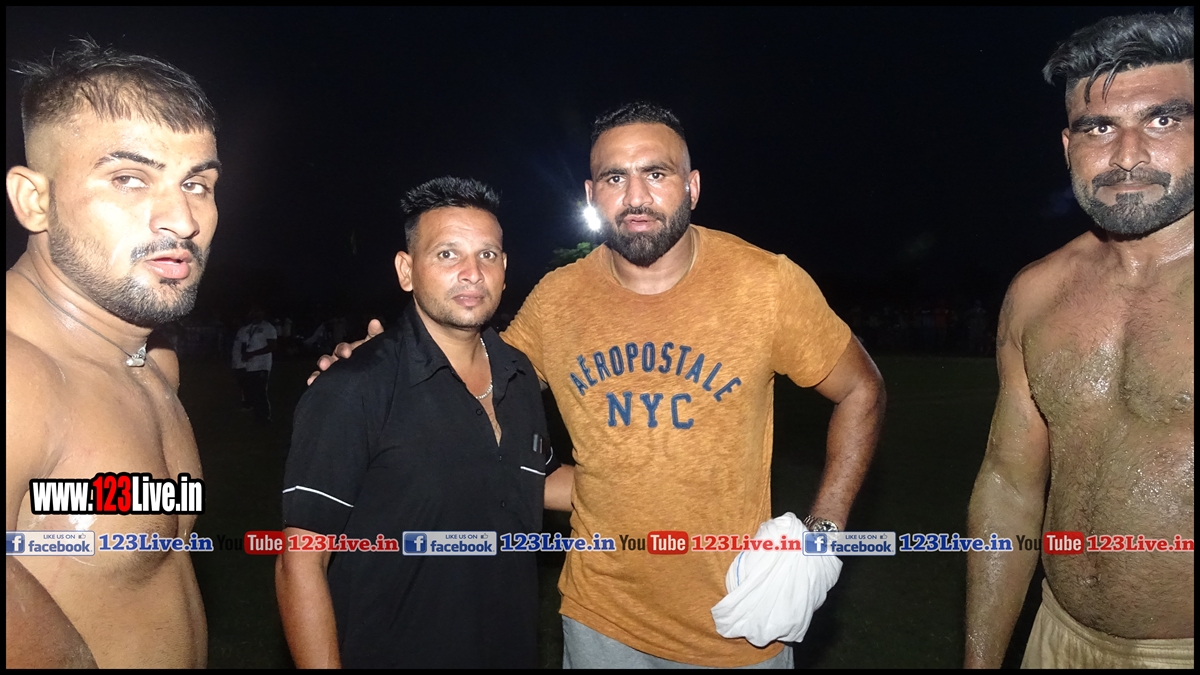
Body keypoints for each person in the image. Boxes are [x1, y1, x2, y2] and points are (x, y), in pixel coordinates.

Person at [318, 104, 886, 668]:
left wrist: (821, 537)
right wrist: (379, 363)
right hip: (600, 623)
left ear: (691, 187)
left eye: (655, 173)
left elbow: (862, 389)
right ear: (592, 195)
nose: (635, 196)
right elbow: (471, 388)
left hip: (739, 624)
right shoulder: (557, 300)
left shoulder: (766, 284)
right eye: (615, 178)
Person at [965, 10, 1193, 669]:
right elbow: (1008, 485)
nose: (1126, 156)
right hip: (1055, 638)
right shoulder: (1036, 294)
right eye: (1100, 127)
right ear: (1069, 146)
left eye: (1162, 120)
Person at [276, 177, 574, 668]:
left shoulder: (519, 375)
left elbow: (527, 478)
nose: (472, 273)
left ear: (504, 270)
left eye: (487, 255)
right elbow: (300, 562)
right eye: (447, 254)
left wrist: (653, 488)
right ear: (406, 270)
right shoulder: (354, 387)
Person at [5, 40, 221, 668]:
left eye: (197, 183)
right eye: (129, 179)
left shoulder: (154, 366)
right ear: (34, 200)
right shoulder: (16, 375)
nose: (181, 219)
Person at [241, 305, 277, 422]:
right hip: (250, 365)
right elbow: (244, 343)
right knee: (252, 390)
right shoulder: (249, 328)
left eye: (258, 311)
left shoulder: (268, 328)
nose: (255, 314)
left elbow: (272, 346)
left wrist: (253, 353)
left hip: (262, 364)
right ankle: (257, 415)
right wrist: (244, 354)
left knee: (260, 391)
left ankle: (265, 416)